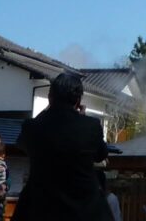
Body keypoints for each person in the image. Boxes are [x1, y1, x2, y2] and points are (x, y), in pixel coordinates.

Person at [12, 72, 113, 221]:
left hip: (40, 210)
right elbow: (101, 154)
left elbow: (21, 143)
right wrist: (82, 117)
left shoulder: (32, 127)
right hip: (84, 210)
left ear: (49, 97)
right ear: (78, 100)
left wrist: (46, 111)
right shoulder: (91, 126)